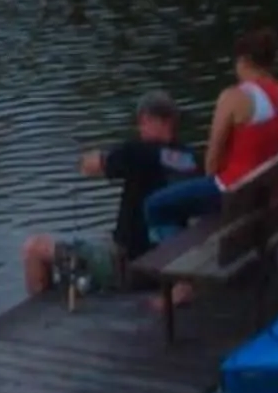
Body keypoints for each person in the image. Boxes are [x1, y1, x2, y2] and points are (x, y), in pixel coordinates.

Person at [23, 91, 200, 299]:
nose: (140, 130)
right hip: (171, 262)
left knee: (33, 248)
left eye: (141, 123)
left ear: (147, 119)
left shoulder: (136, 152)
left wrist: (86, 161)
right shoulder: (190, 159)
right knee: (103, 240)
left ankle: (45, 312)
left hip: (133, 268)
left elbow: (95, 165)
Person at [140, 27, 278, 242]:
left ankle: (177, 259)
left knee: (154, 206)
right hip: (275, 192)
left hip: (236, 192)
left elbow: (212, 163)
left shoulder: (234, 97)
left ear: (243, 61)